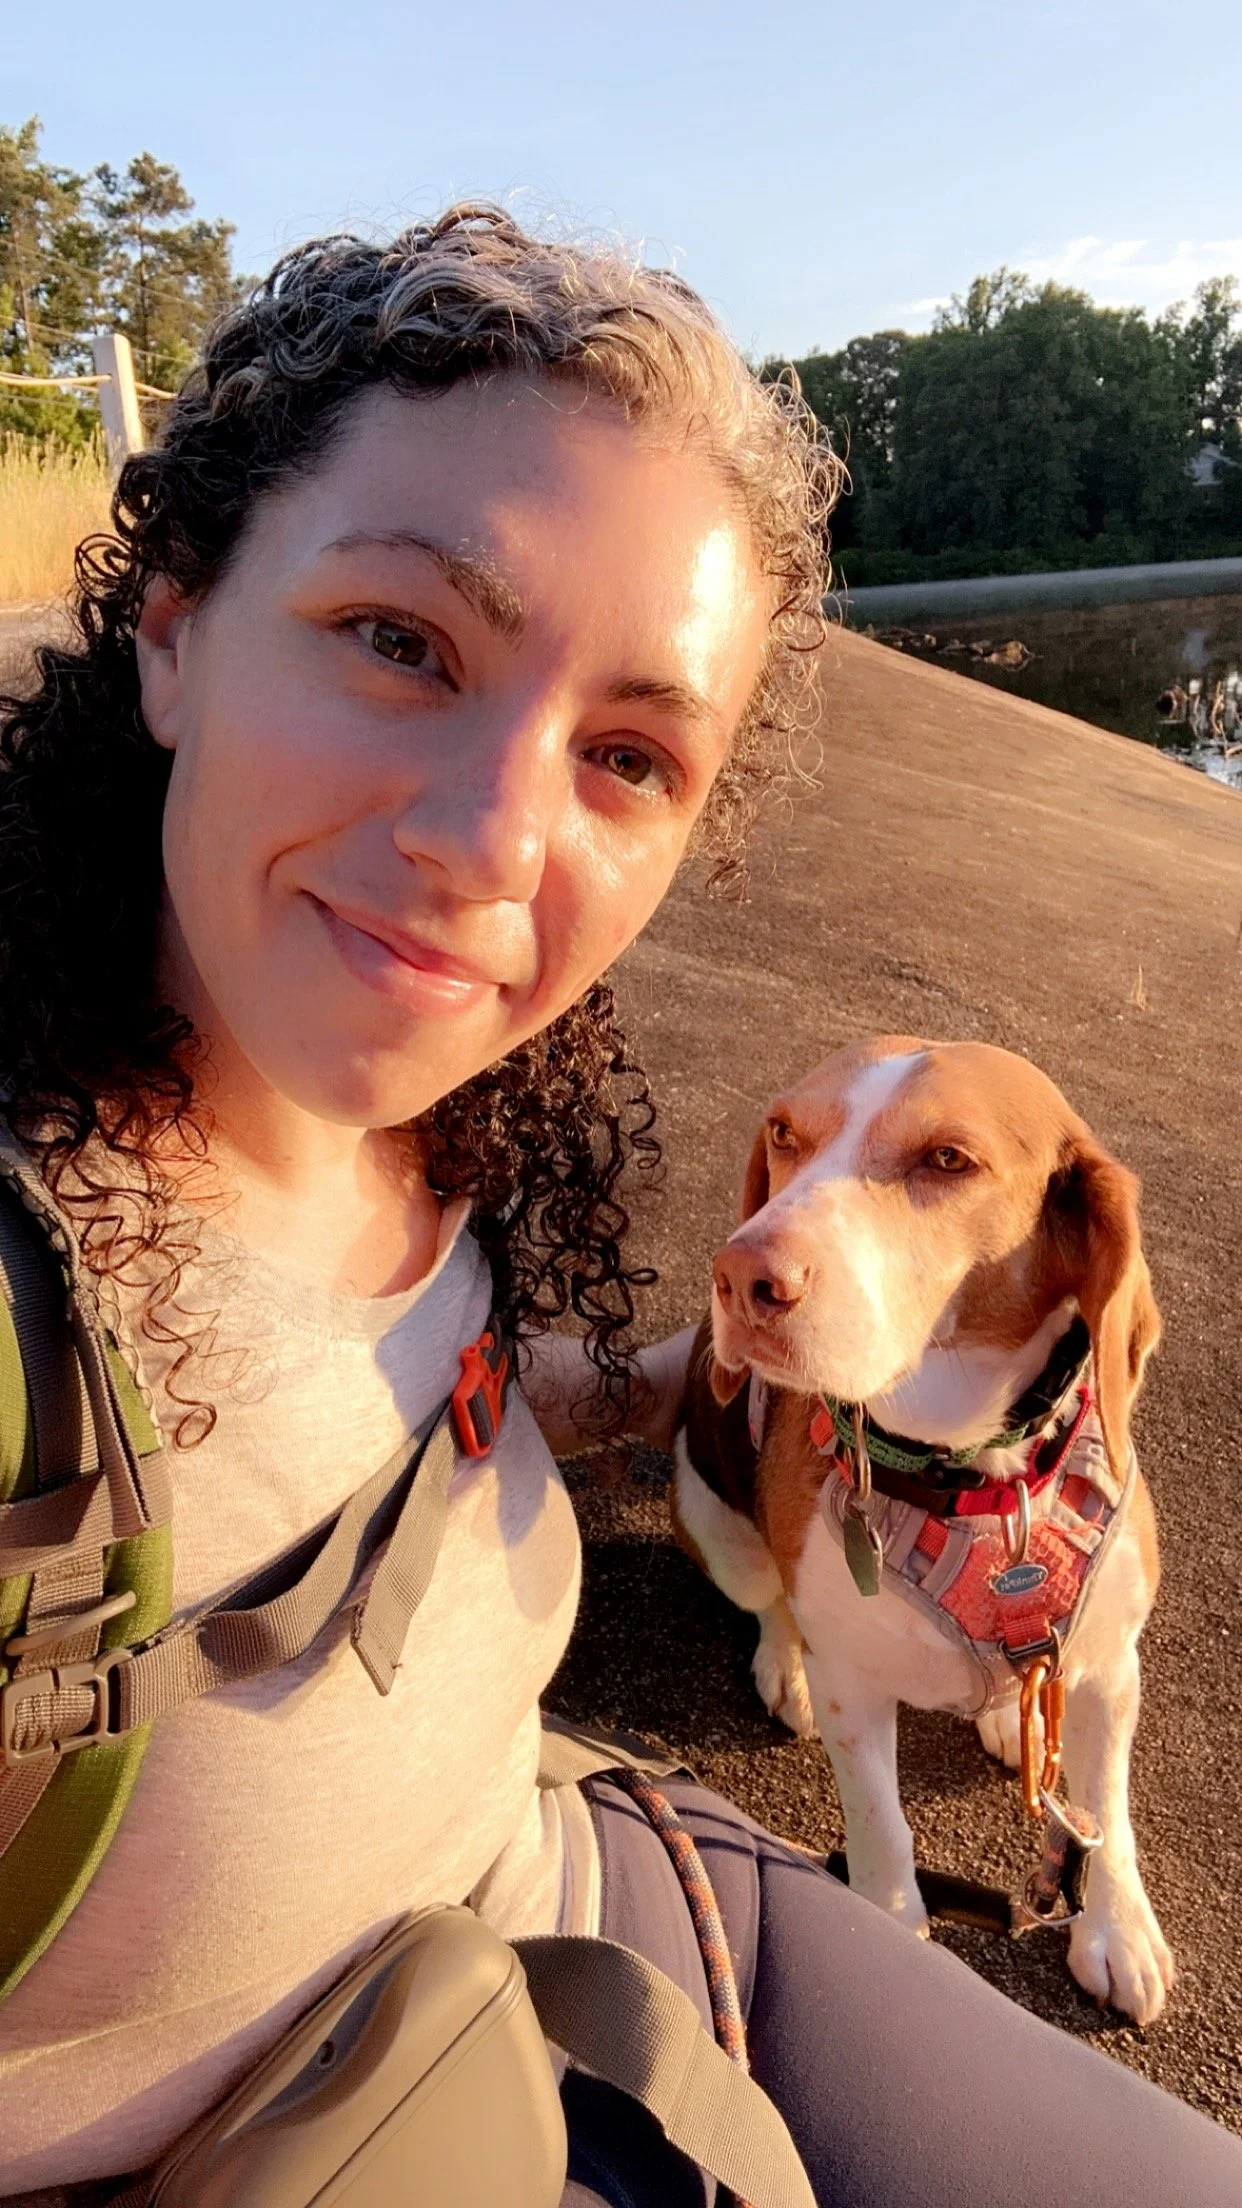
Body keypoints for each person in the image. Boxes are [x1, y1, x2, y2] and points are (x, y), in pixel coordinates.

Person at [0, 206, 1238, 2208]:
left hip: (586, 1893)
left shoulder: (424, 1140)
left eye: (629, 755)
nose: (496, 842)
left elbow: (440, 1403)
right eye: (401, 641)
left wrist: (679, 1373)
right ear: (170, 627)